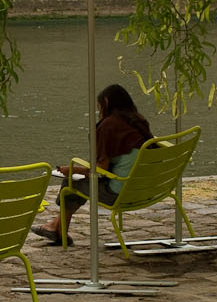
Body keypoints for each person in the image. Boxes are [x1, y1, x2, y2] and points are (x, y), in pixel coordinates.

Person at [31, 84, 153, 245]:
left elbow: (100, 170)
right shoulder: (139, 122)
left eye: (99, 108)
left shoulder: (109, 125)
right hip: (145, 188)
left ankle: (57, 229)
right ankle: (55, 227)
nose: (99, 113)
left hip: (119, 193)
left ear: (106, 102)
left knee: (70, 181)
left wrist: (73, 169)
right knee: (75, 181)